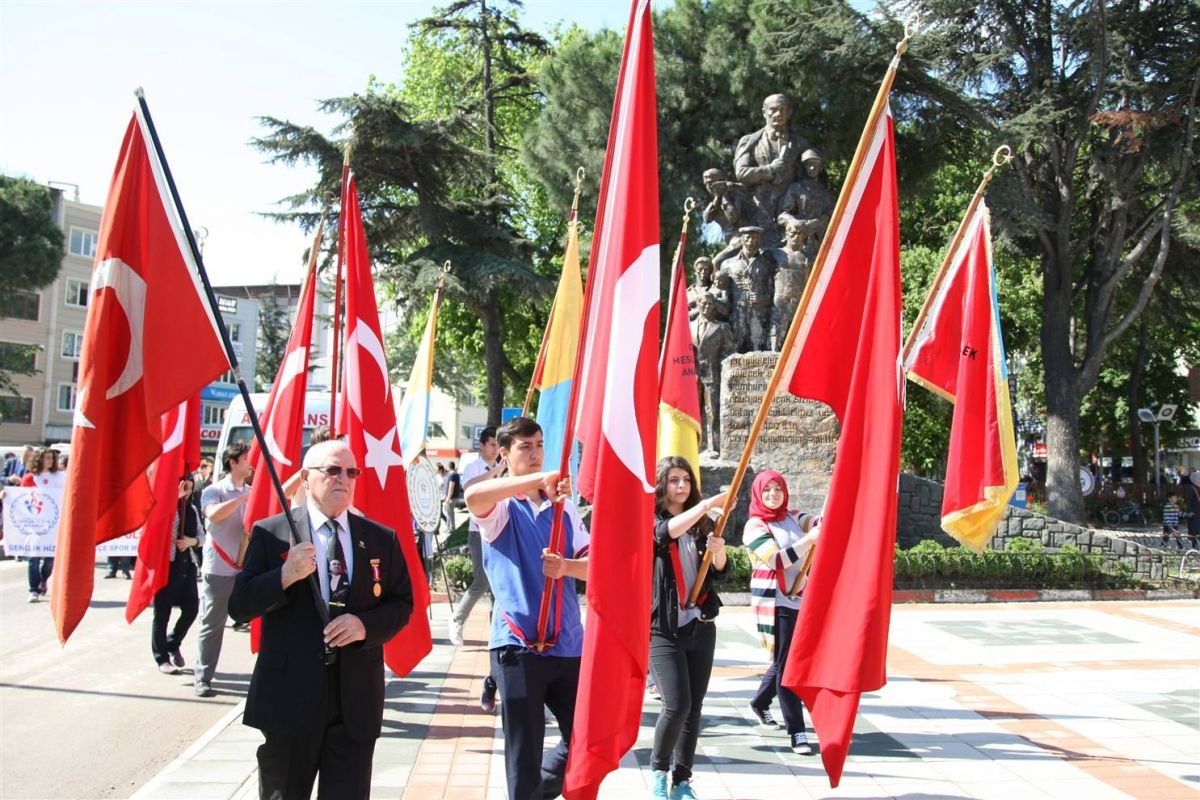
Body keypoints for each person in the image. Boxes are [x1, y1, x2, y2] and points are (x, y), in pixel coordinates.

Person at [229, 440, 414, 800]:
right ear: (304, 477)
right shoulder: (272, 533)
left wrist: (364, 626)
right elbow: (239, 605)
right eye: (332, 470)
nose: (343, 479)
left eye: (351, 472)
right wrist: (284, 575)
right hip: (290, 700)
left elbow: (402, 603)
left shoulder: (380, 538)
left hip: (354, 702)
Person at [464, 416, 587, 800]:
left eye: (538, 445)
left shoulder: (565, 509)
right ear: (504, 453)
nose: (535, 454)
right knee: (524, 752)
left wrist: (567, 567)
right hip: (517, 648)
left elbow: (596, 563)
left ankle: (538, 792)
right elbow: (473, 498)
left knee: (586, 739)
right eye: (524, 447)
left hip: (567, 644)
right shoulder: (502, 508)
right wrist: (539, 480)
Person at [648, 457, 728, 800]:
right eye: (674, 480)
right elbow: (665, 533)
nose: (681, 486)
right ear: (662, 484)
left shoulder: (702, 523)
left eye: (686, 480)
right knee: (676, 705)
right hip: (663, 629)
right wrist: (708, 504)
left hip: (700, 625)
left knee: (694, 708)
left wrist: (719, 552)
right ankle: (659, 772)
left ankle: (683, 780)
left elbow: (720, 572)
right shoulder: (652, 520)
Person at [743, 470, 820, 755]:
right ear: (758, 494)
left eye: (778, 489)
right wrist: (809, 541)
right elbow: (776, 558)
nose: (773, 495)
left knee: (783, 659)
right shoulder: (754, 526)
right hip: (777, 601)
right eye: (767, 490)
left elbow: (817, 521)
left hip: (802, 597)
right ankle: (797, 731)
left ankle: (761, 702)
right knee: (789, 666)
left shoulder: (793, 516)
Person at [194, 441, 252, 698]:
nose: (250, 463)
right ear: (233, 462)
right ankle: (203, 677)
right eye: (246, 459)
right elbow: (213, 515)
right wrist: (241, 499)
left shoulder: (251, 491)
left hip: (244, 570)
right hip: (218, 569)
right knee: (213, 625)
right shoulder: (215, 490)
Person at [447, 427, 500, 646]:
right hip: (478, 532)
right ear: (482, 445)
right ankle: (457, 620)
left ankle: (498, 631)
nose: (496, 449)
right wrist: (495, 473)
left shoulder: (501, 468)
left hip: (500, 531)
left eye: (498, 445)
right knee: (481, 582)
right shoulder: (473, 467)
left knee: (499, 583)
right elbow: (469, 488)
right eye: (492, 445)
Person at [154, 475, 203, 674]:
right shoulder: (165, 508)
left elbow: (202, 536)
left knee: (191, 608)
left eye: (190, 487)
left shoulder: (191, 510)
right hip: (167, 564)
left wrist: (191, 542)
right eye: (184, 486)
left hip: (187, 565)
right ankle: (161, 658)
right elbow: (160, 525)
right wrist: (174, 498)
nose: (187, 491)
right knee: (162, 613)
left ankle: (172, 643)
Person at [22, 448, 64, 601]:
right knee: (33, 558)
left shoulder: (60, 477)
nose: (50, 461)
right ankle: (33, 589)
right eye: (46, 458)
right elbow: (20, 500)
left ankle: (43, 579)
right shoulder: (29, 478)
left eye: (51, 458)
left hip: (53, 525)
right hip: (34, 525)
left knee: (49, 560)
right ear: (39, 459)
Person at [443, 460, 462, 535]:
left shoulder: (452, 475)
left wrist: (448, 497)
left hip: (451, 497)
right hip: (454, 497)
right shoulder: (456, 474)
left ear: (448, 467)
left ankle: (451, 528)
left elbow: (451, 487)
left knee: (449, 513)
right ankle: (450, 527)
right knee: (449, 512)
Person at [1186, 472, 1200, 550]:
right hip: (1194, 512)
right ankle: (1194, 547)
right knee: (1194, 529)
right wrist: (1189, 511)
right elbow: (1189, 501)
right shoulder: (1191, 488)